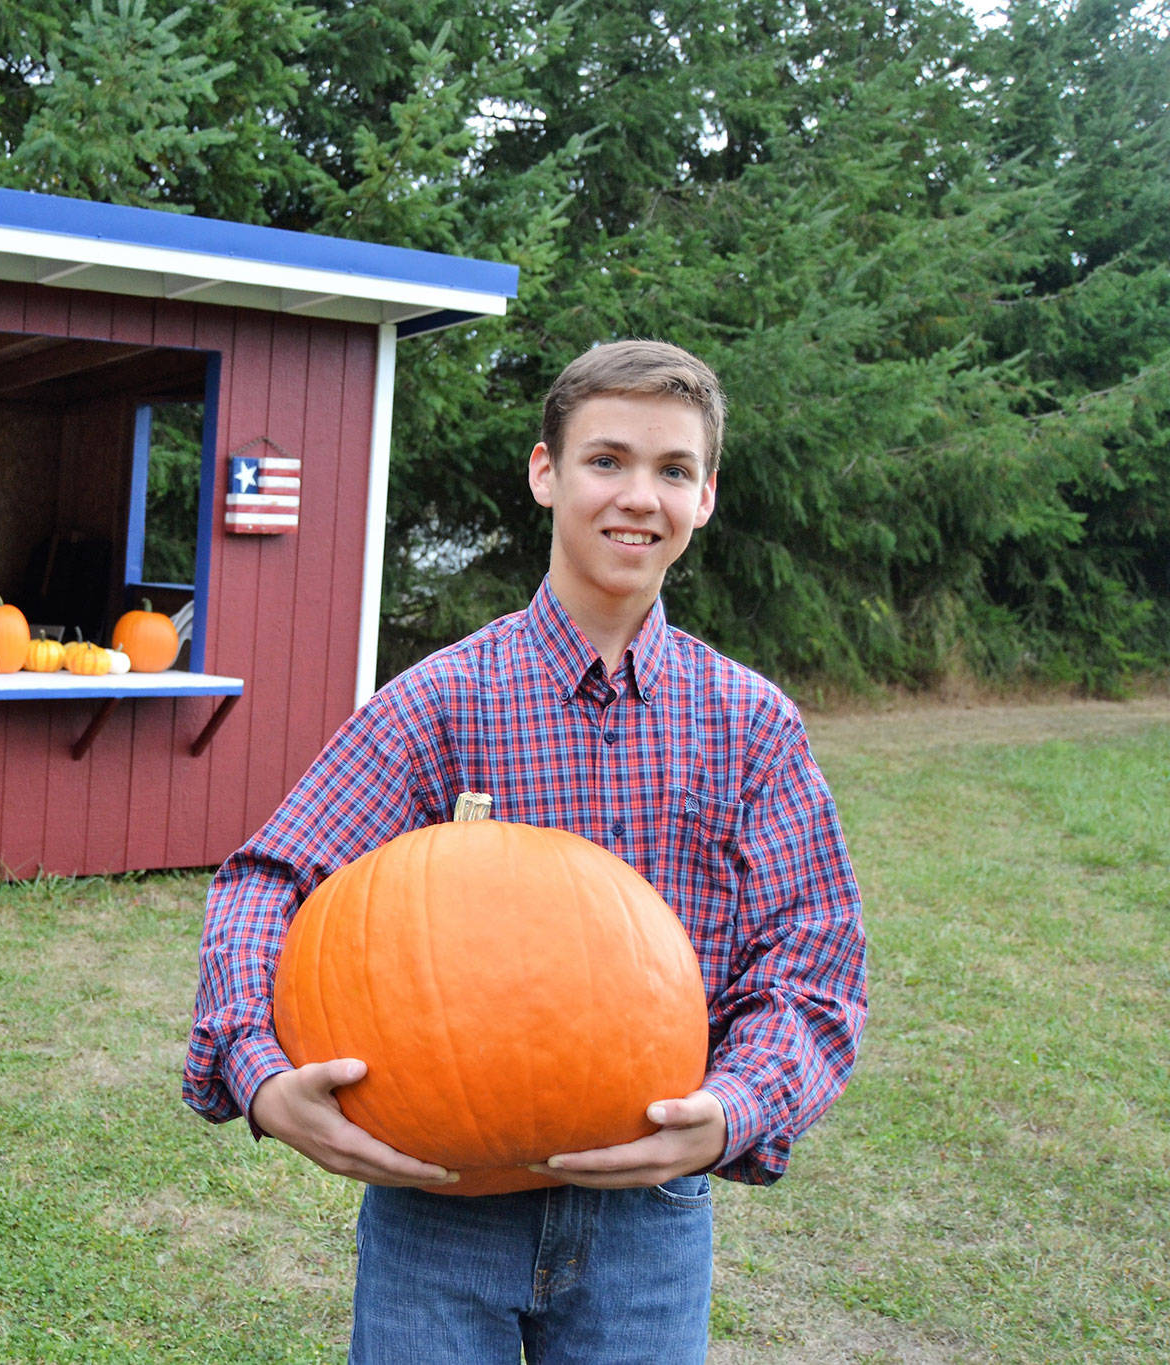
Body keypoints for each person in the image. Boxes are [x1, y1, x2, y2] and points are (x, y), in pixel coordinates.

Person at [184, 339, 867, 1362]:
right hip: (440, 1208)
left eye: (671, 470)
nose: (638, 496)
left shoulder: (748, 725)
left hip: (650, 1216)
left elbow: (813, 958)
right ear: (545, 474)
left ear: (705, 496)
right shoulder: (438, 703)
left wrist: (734, 1109)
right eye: (605, 460)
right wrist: (257, 1069)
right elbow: (267, 882)